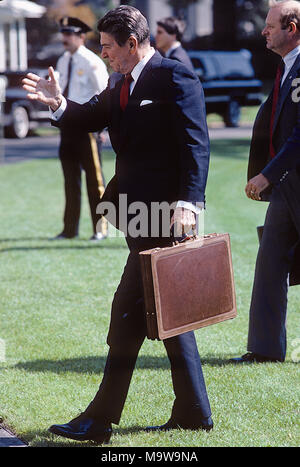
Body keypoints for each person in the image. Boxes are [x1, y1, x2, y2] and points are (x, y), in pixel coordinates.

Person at [23, 5, 212, 444]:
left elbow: (196, 144)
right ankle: (194, 411)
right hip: (134, 215)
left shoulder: (174, 76)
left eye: (108, 47)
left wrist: (190, 202)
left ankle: (99, 419)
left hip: (165, 217)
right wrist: (58, 104)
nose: (103, 54)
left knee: (127, 314)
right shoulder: (118, 82)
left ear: (133, 43)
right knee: (169, 316)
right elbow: (89, 114)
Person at [232, 0, 300, 364]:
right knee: (270, 261)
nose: (264, 30)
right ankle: (264, 348)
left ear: (292, 29)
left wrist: (266, 173)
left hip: (291, 180)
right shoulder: (286, 67)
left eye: (272, 25)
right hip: (287, 187)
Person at [54, 17, 109, 241]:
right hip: (67, 127)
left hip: (88, 129)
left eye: (70, 34)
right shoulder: (62, 60)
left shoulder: (91, 62)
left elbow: (105, 93)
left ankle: (101, 228)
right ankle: (69, 229)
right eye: (63, 34)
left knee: (94, 180)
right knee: (70, 178)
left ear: (81, 37)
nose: (65, 38)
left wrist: (103, 127)